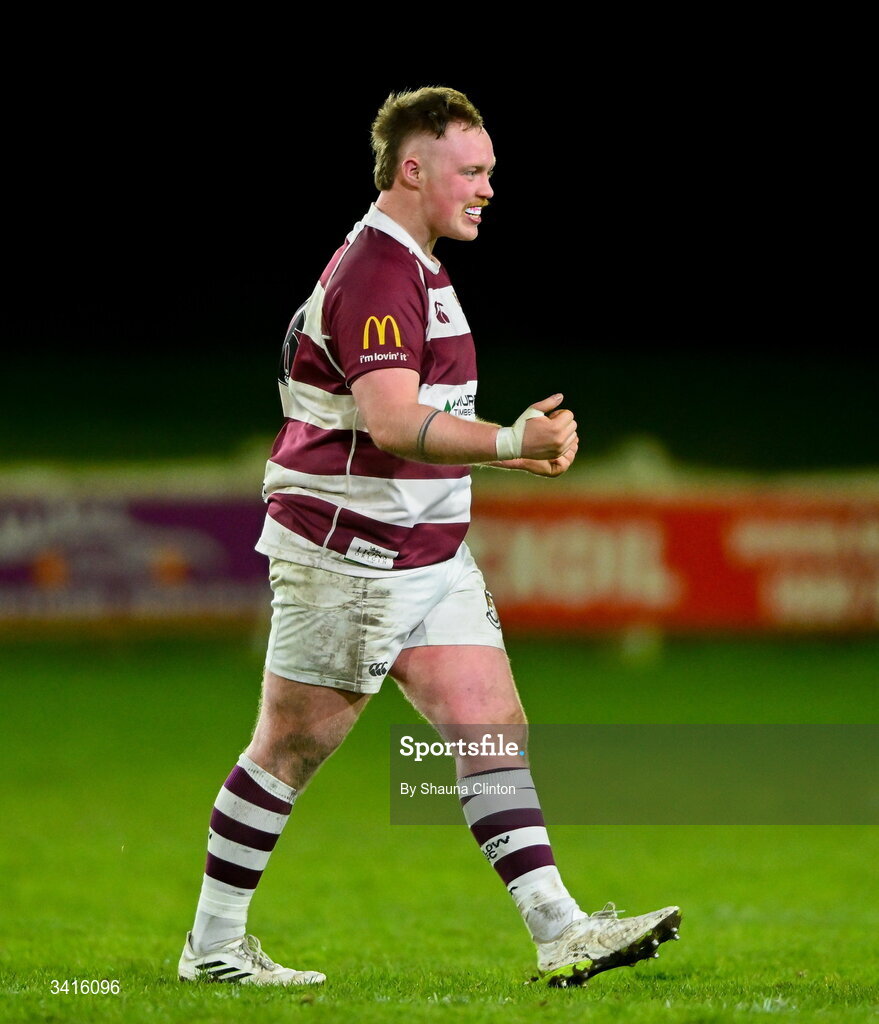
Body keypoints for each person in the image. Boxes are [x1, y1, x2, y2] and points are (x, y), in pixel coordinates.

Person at [177, 85, 681, 989]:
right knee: (290, 748)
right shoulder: (377, 269)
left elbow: (419, 416)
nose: (488, 188)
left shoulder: (420, 264)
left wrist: (503, 455)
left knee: (490, 727)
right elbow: (392, 421)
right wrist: (510, 443)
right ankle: (212, 948)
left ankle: (559, 929)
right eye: (473, 170)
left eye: (491, 172)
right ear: (414, 168)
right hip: (354, 556)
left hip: (426, 553)